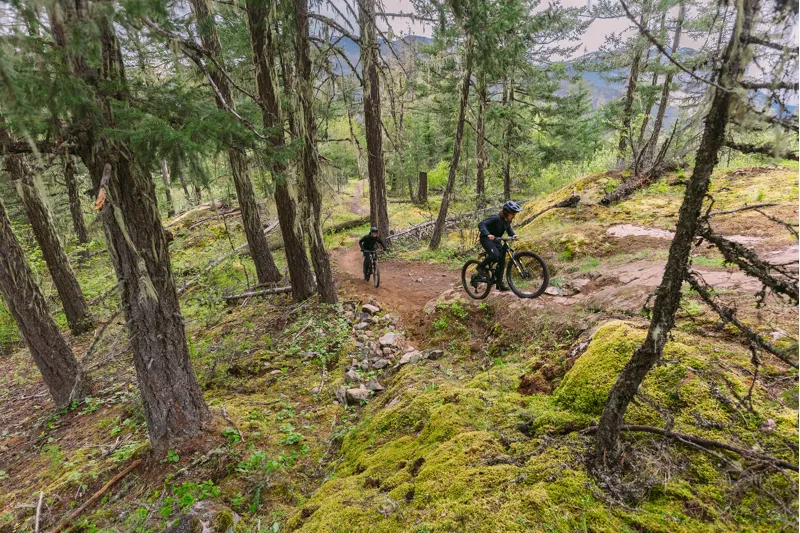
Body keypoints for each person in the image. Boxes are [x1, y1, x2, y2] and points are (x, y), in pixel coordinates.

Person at [477, 200, 522, 291]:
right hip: (486, 238)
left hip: (496, 240)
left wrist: (513, 235)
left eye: (515, 214)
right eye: (512, 214)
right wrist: (487, 234)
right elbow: (481, 224)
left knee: (502, 261)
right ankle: (480, 267)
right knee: (495, 255)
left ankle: (499, 283)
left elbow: (508, 228)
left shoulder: (508, 220)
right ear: (506, 212)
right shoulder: (496, 218)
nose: (514, 216)